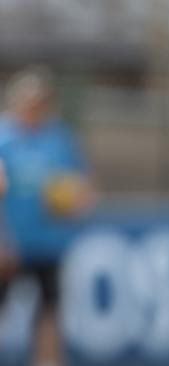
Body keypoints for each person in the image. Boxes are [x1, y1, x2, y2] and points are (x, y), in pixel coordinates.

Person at [0, 65, 95, 366]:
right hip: (9, 244)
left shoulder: (58, 139)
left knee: (49, 309)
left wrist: (75, 200)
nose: (35, 107)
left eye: (40, 101)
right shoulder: (3, 137)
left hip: (48, 243)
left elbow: (84, 186)